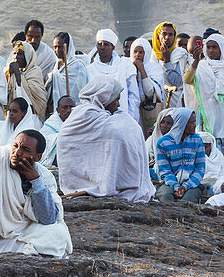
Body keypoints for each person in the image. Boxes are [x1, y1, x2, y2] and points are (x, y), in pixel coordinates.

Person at [0, 129, 72, 257]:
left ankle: (33, 251)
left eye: (25, 149)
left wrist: (36, 181)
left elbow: (48, 219)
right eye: (15, 146)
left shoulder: (44, 176)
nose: (17, 153)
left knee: (57, 234)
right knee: (50, 246)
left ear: (38, 157)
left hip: (23, 230)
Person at [57, 74, 154, 202]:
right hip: (78, 185)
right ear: (104, 98)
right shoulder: (84, 116)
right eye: (116, 99)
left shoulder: (107, 117)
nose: (118, 104)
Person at [186, 33, 224, 149]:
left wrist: (214, 88)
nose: (211, 50)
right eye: (208, 47)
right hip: (207, 113)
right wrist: (196, 61)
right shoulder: (201, 66)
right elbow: (188, 80)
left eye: (214, 47)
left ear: (222, 48)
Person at [154, 108, 205, 202]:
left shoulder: (197, 140)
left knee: (188, 201)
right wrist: (176, 186)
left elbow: (200, 168)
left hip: (191, 184)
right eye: (192, 122)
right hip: (169, 183)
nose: (195, 125)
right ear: (182, 123)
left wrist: (185, 186)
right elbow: (165, 171)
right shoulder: (163, 142)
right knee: (165, 195)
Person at [88, 29, 139, 122]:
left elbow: (134, 96)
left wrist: (131, 118)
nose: (102, 47)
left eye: (106, 44)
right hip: (98, 118)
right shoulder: (90, 69)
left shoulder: (125, 64)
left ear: (113, 47)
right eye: (99, 44)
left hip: (123, 116)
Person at [5, 41, 47, 120]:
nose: (16, 57)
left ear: (27, 56)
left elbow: (35, 97)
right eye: (14, 53)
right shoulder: (8, 71)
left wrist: (17, 74)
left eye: (20, 54)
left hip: (32, 116)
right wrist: (10, 75)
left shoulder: (35, 71)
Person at [46, 32, 88, 110]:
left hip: (72, 108)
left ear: (68, 47)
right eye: (55, 47)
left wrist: (56, 77)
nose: (57, 50)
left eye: (60, 47)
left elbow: (80, 89)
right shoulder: (55, 65)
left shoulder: (77, 66)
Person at [152, 21, 190, 109]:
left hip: (176, 102)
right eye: (164, 34)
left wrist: (167, 61)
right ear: (158, 36)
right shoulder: (152, 56)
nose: (167, 38)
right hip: (159, 103)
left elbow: (177, 82)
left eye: (170, 35)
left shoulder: (179, 54)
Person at [39, 95, 74, 169]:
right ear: (58, 110)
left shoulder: (81, 123)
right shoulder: (50, 125)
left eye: (71, 107)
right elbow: (43, 142)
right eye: (65, 107)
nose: (68, 110)